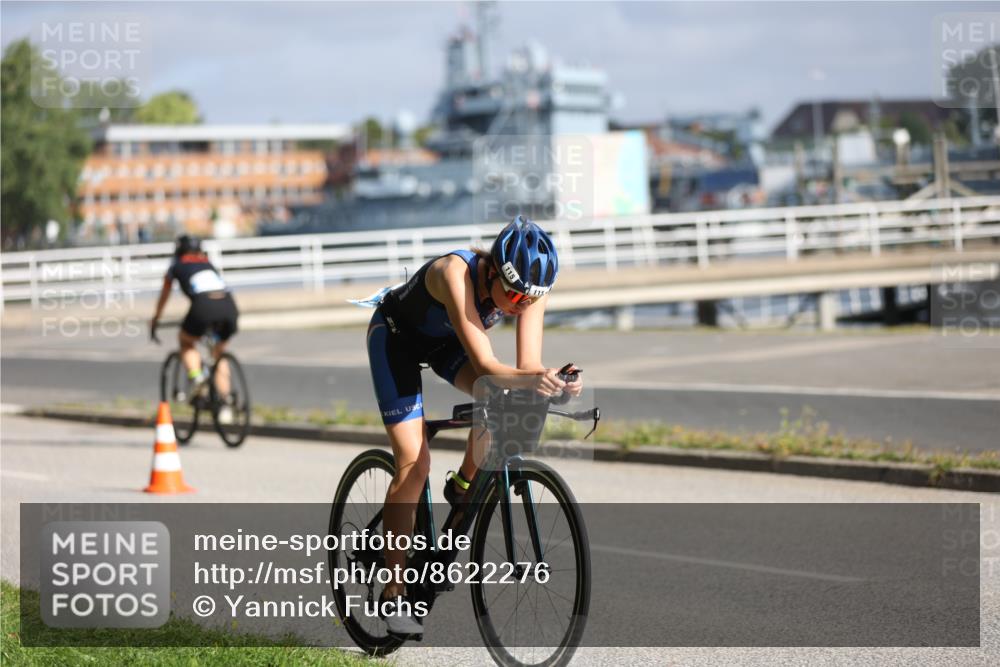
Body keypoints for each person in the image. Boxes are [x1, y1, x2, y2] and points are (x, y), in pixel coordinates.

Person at [364, 215, 582, 635]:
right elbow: (485, 365)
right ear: (494, 270)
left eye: (528, 300)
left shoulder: (530, 292)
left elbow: (527, 367)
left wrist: (556, 380)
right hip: (396, 341)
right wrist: (533, 380)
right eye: (513, 295)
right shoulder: (453, 273)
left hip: (447, 345)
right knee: (414, 464)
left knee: (501, 397)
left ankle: (463, 484)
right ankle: (393, 593)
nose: (519, 305)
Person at [151, 235, 240, 421]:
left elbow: (164, 295)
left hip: (203, 306)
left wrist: (156, 319)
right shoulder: (207, 263)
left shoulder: (176, 266)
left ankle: (197, 377)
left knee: (186, 342)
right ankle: (225, 403)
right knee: (218, 354)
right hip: (229, 305)